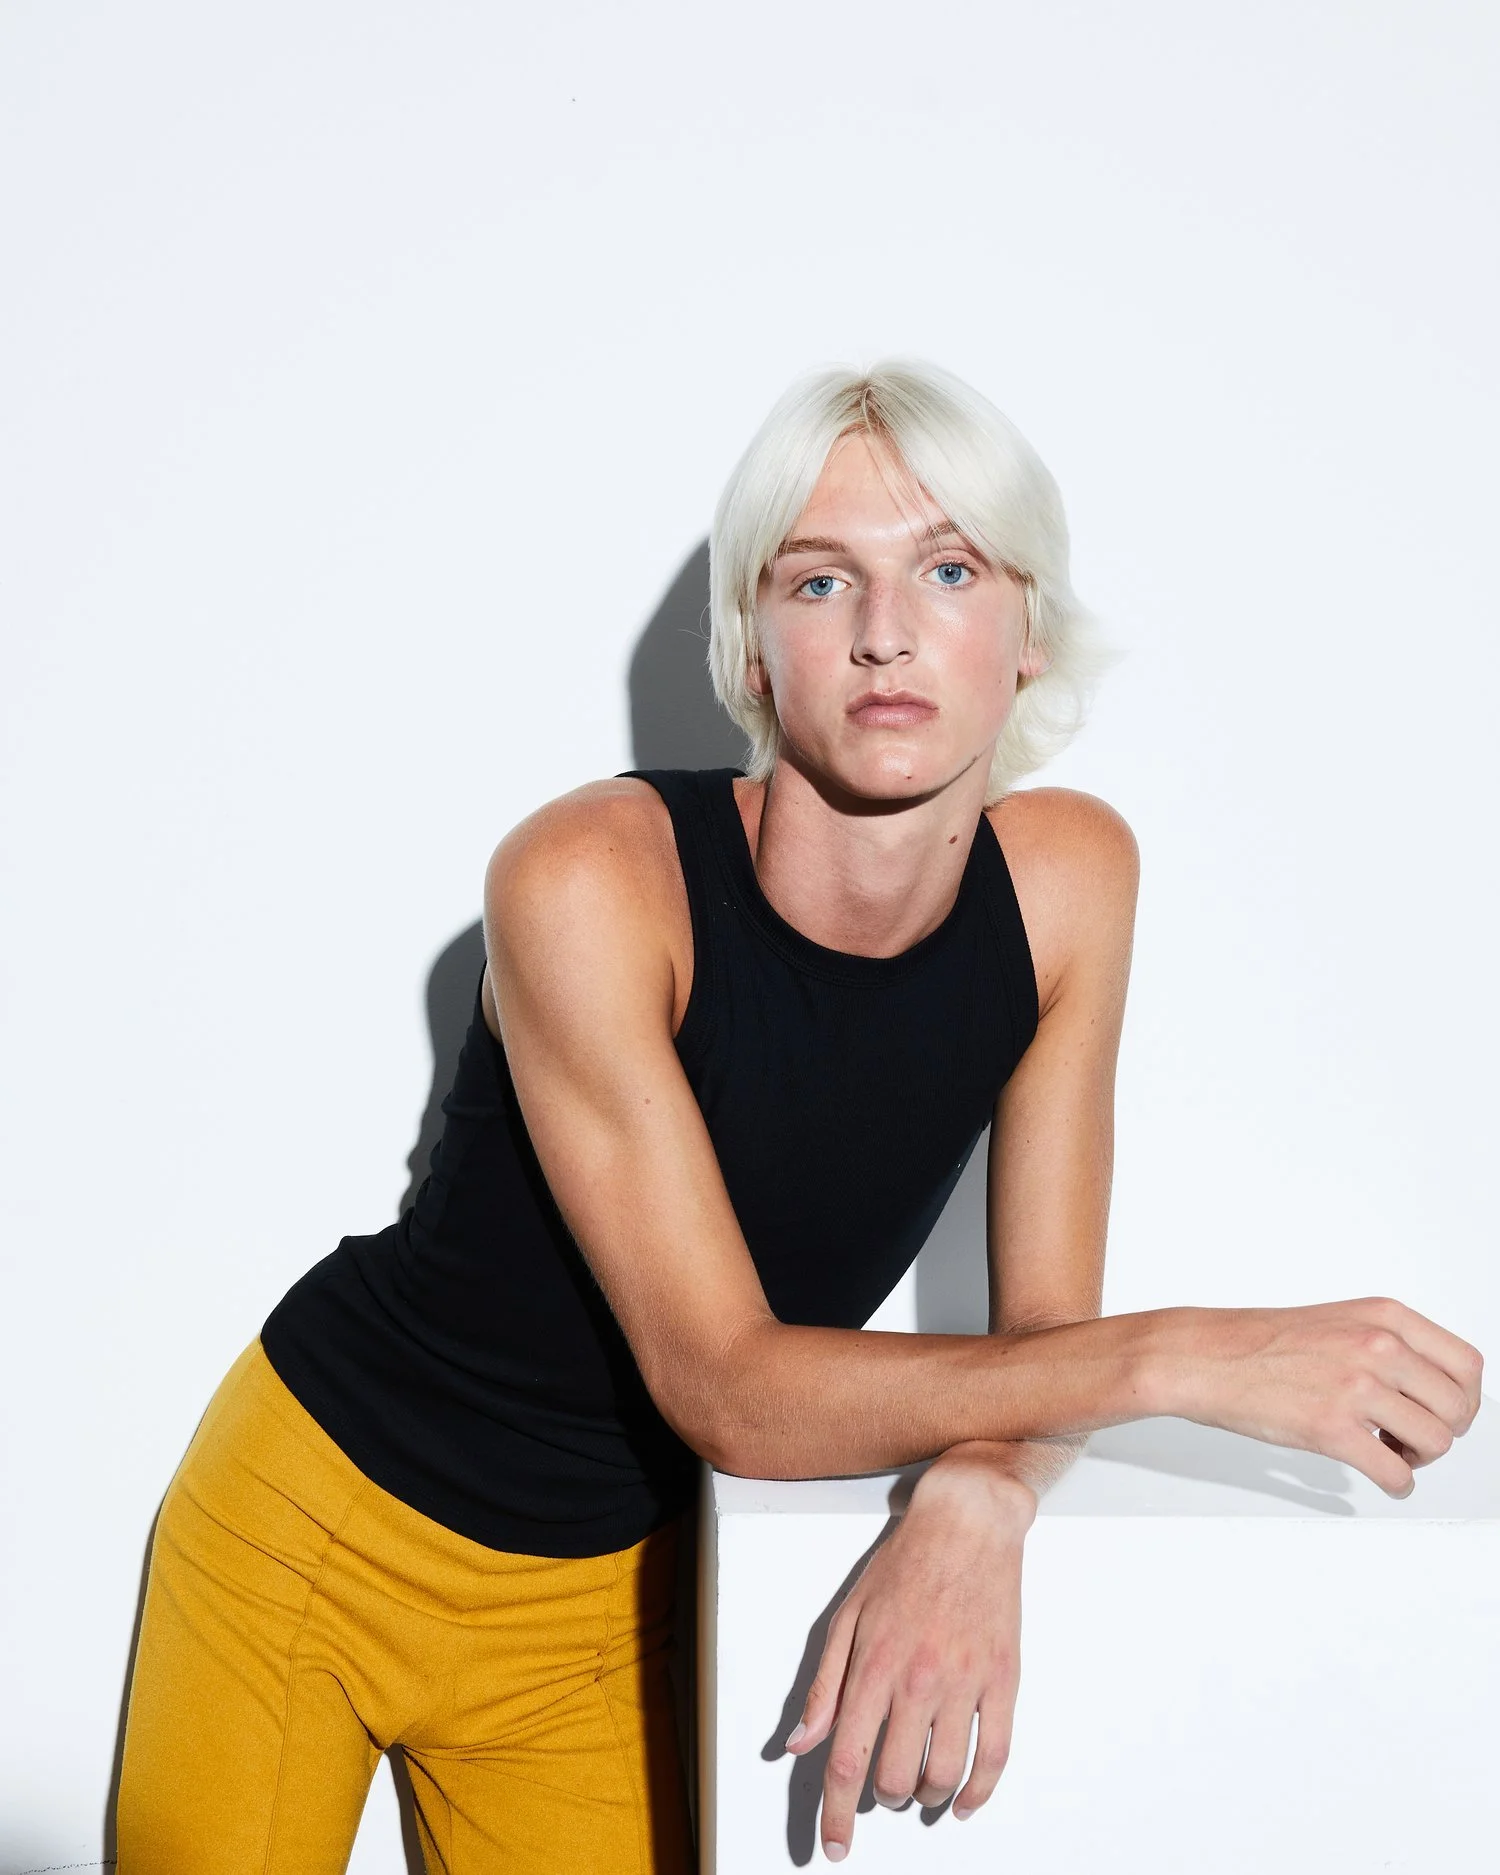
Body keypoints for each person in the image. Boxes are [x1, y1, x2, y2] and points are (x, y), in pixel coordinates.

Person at [114, 359, 1484, 1873]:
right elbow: (731, 1390)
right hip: (320, 1525)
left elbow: (1039, 1330)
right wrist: (1180, 1356)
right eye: (822, 579)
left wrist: (980, 1495)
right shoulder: (587, 880)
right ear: (756, 653)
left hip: (606, 1608)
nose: (887, 631)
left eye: (949, 567)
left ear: (1027, 633)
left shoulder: (1073, 887)